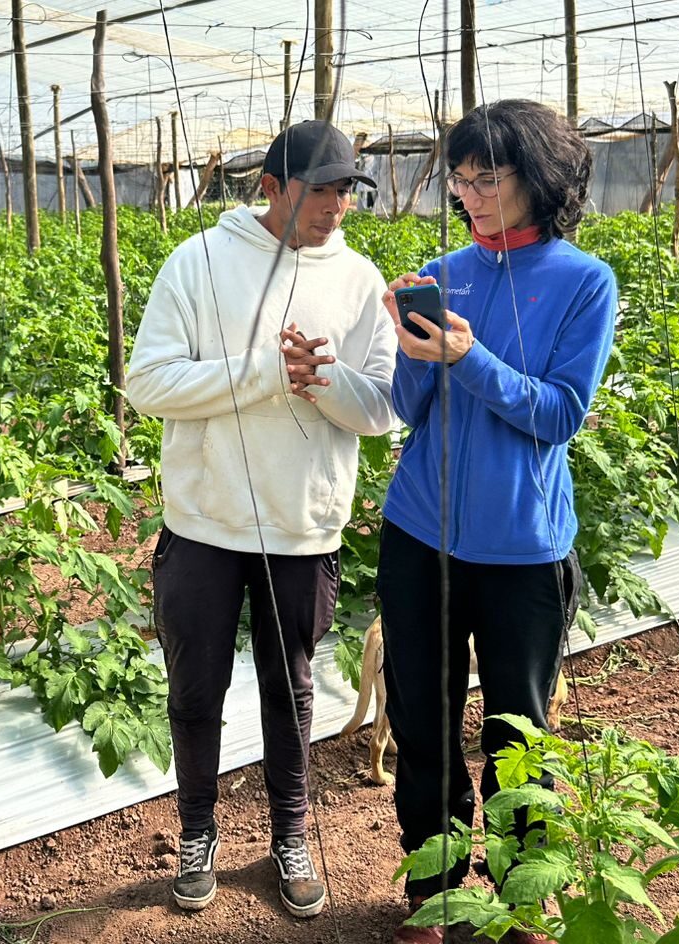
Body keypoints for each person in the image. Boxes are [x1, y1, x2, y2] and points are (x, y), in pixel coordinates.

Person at [125, 120, 399, 919]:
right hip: (204, 526)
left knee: (292, 691)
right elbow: (149, 383)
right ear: (271, 188)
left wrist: (321, 379)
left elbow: (383, 408)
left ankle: (290, 835)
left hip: (300, 528)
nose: (337, 207)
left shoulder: (358, 280)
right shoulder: (199, 262)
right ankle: (197, 832)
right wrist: (264, 372)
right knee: (194, 690)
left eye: (348, 191)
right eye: (322, 190)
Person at [375, 100, 616, 944]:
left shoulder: (583, 281)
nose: (469, 196)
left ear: (537, 179)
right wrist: (411, 347)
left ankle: (516, 901)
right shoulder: (444, 271)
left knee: (518, 732)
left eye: (488, 178)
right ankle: (434, 894)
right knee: (423, 722)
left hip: (521, 549)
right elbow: (410, 408)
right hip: (420, 535)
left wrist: (468, 356)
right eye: (460, 179)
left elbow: (559, 414)